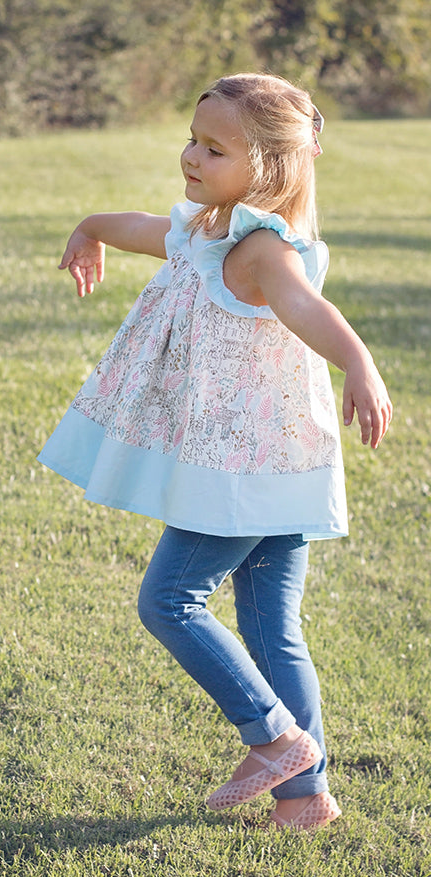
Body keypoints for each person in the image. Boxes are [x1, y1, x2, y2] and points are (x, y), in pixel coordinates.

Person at [38, 73, 392, 830]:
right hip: (277, 468)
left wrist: (360, 363)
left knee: (169, 600)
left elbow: (308, 308)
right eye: (192, 139)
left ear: (267, 167)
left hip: (238, 470)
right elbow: (142, 227)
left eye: (213, 148)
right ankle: (304, 800)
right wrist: (90, 225)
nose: (190, 156)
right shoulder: (210, 227)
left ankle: (273, 740)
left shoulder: (263, 247)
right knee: (272, 630)